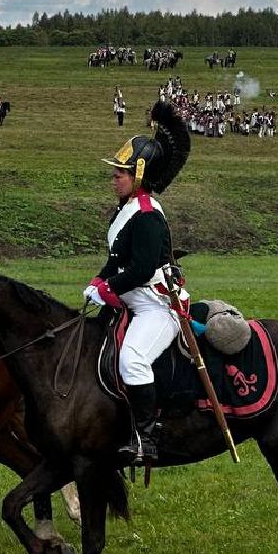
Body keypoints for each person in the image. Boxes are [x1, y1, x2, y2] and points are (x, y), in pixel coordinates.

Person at [83, 100, 190, 464]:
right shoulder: (126, 208)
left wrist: (108, 288)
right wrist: (100, 279)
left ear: (139, 176)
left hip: (155, 304)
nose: (114, 177)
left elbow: (142, 269)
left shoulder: (146, 214)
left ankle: (147, 437)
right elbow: (118, 257)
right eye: (115, 172)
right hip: (130, 297)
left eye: (121, 173)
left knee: (133, 360)